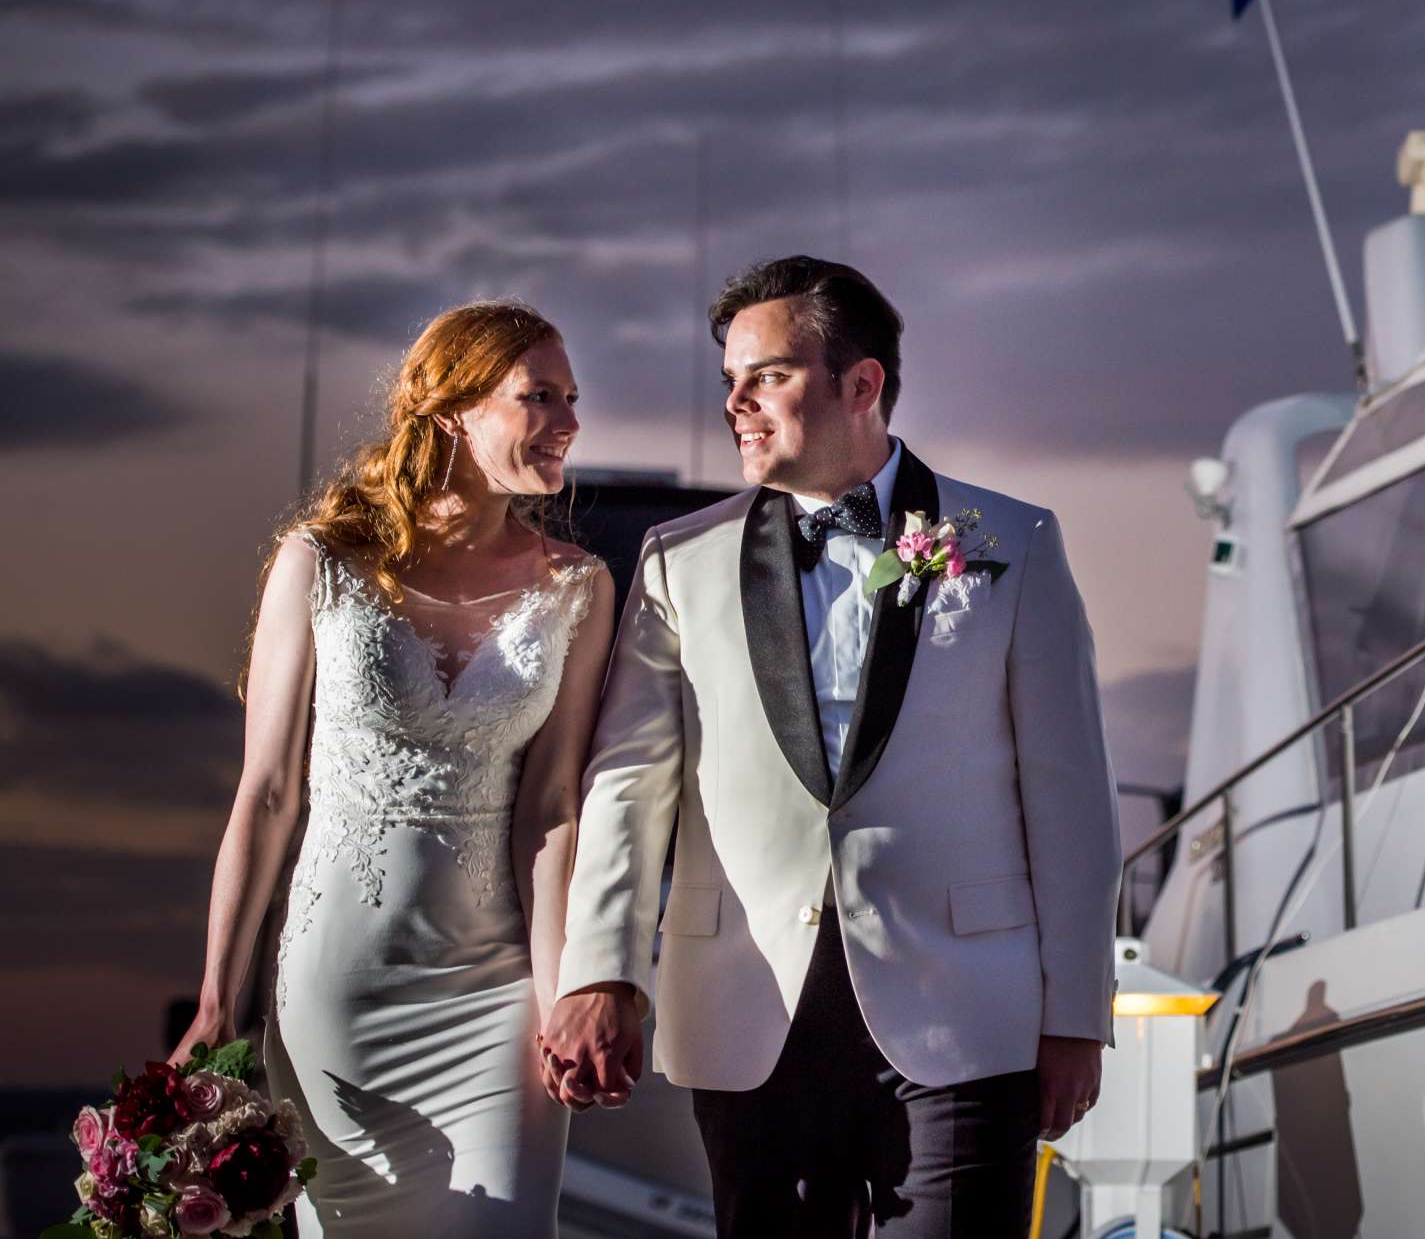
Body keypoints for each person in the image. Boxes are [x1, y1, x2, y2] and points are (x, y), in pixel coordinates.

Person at [540, 255, 1120, 1238]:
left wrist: (1077, 1013)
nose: (737, 402)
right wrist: (601, 970)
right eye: (729, 380)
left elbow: (1067, 795)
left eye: (765, 375)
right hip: (747, 1003)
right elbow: (631, 783)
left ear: (863, 385)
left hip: (968, 1012)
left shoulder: (1014, 543)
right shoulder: (679, 561)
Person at [178, 301, 615, 1237]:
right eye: (539, 395)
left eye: (573, 397)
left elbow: (551, 808)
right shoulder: (321, 562)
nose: (569, 421)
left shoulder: (579, 585)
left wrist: (560, 994)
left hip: (496, 998)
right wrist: (221, 1000)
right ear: (453, 408)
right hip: (339, 992)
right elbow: (265, 794)